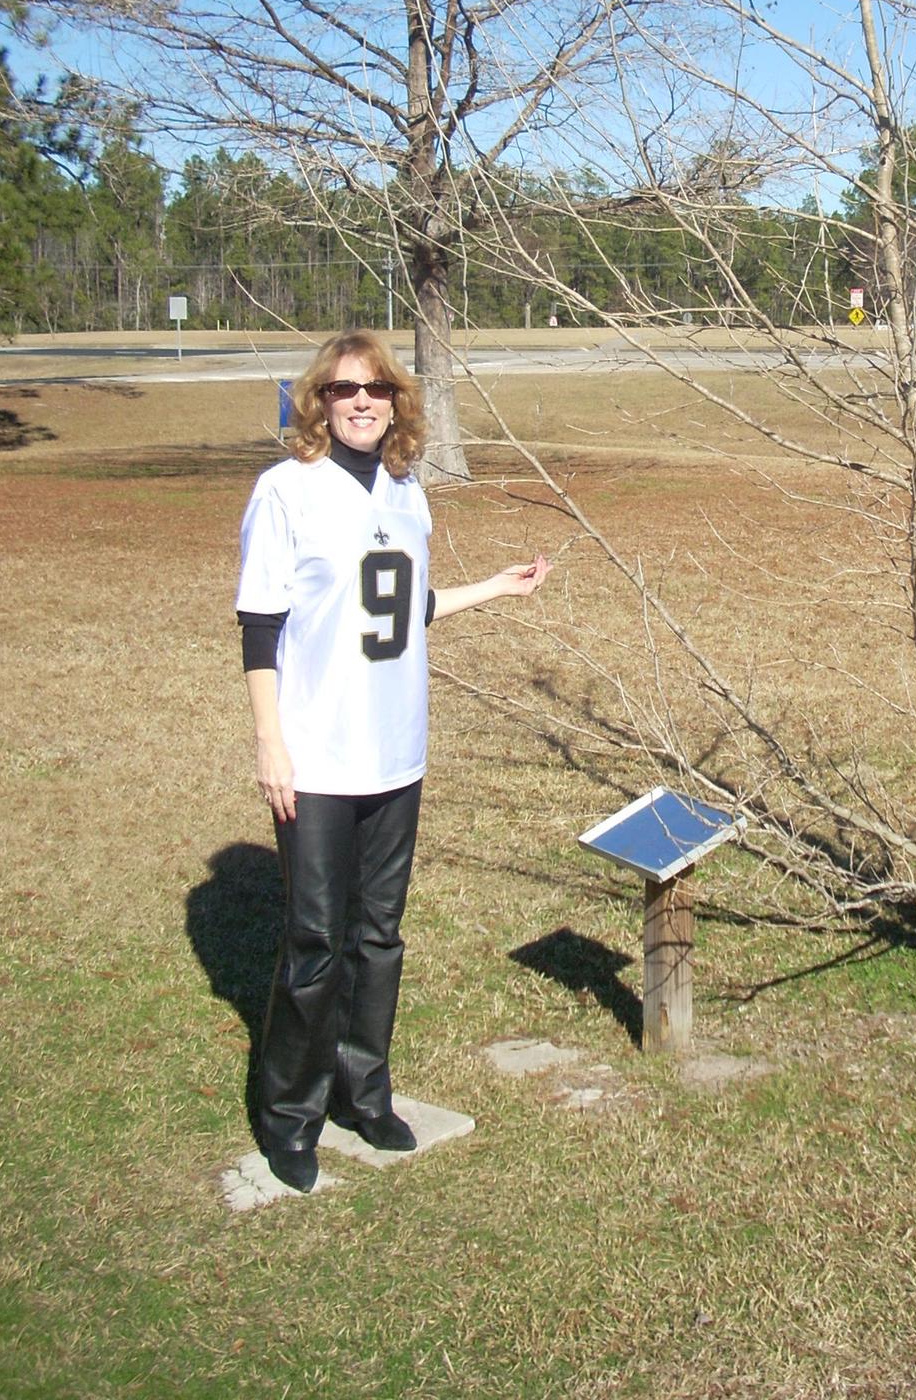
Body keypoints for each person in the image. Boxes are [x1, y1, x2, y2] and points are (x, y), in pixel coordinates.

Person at [236, 330, 549, 1193]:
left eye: (376, 388)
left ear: (397, 400)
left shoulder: (408, 493)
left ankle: (363, 1091)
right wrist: (270, 741)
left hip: (395, 752)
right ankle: (290, 1115)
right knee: (315, 939)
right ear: (319, 402)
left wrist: (496, 587)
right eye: (344, 390)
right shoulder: (286, 491)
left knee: (378, 936)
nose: (362, 402)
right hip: (317, 756)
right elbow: (260, 624)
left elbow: (403, 608)